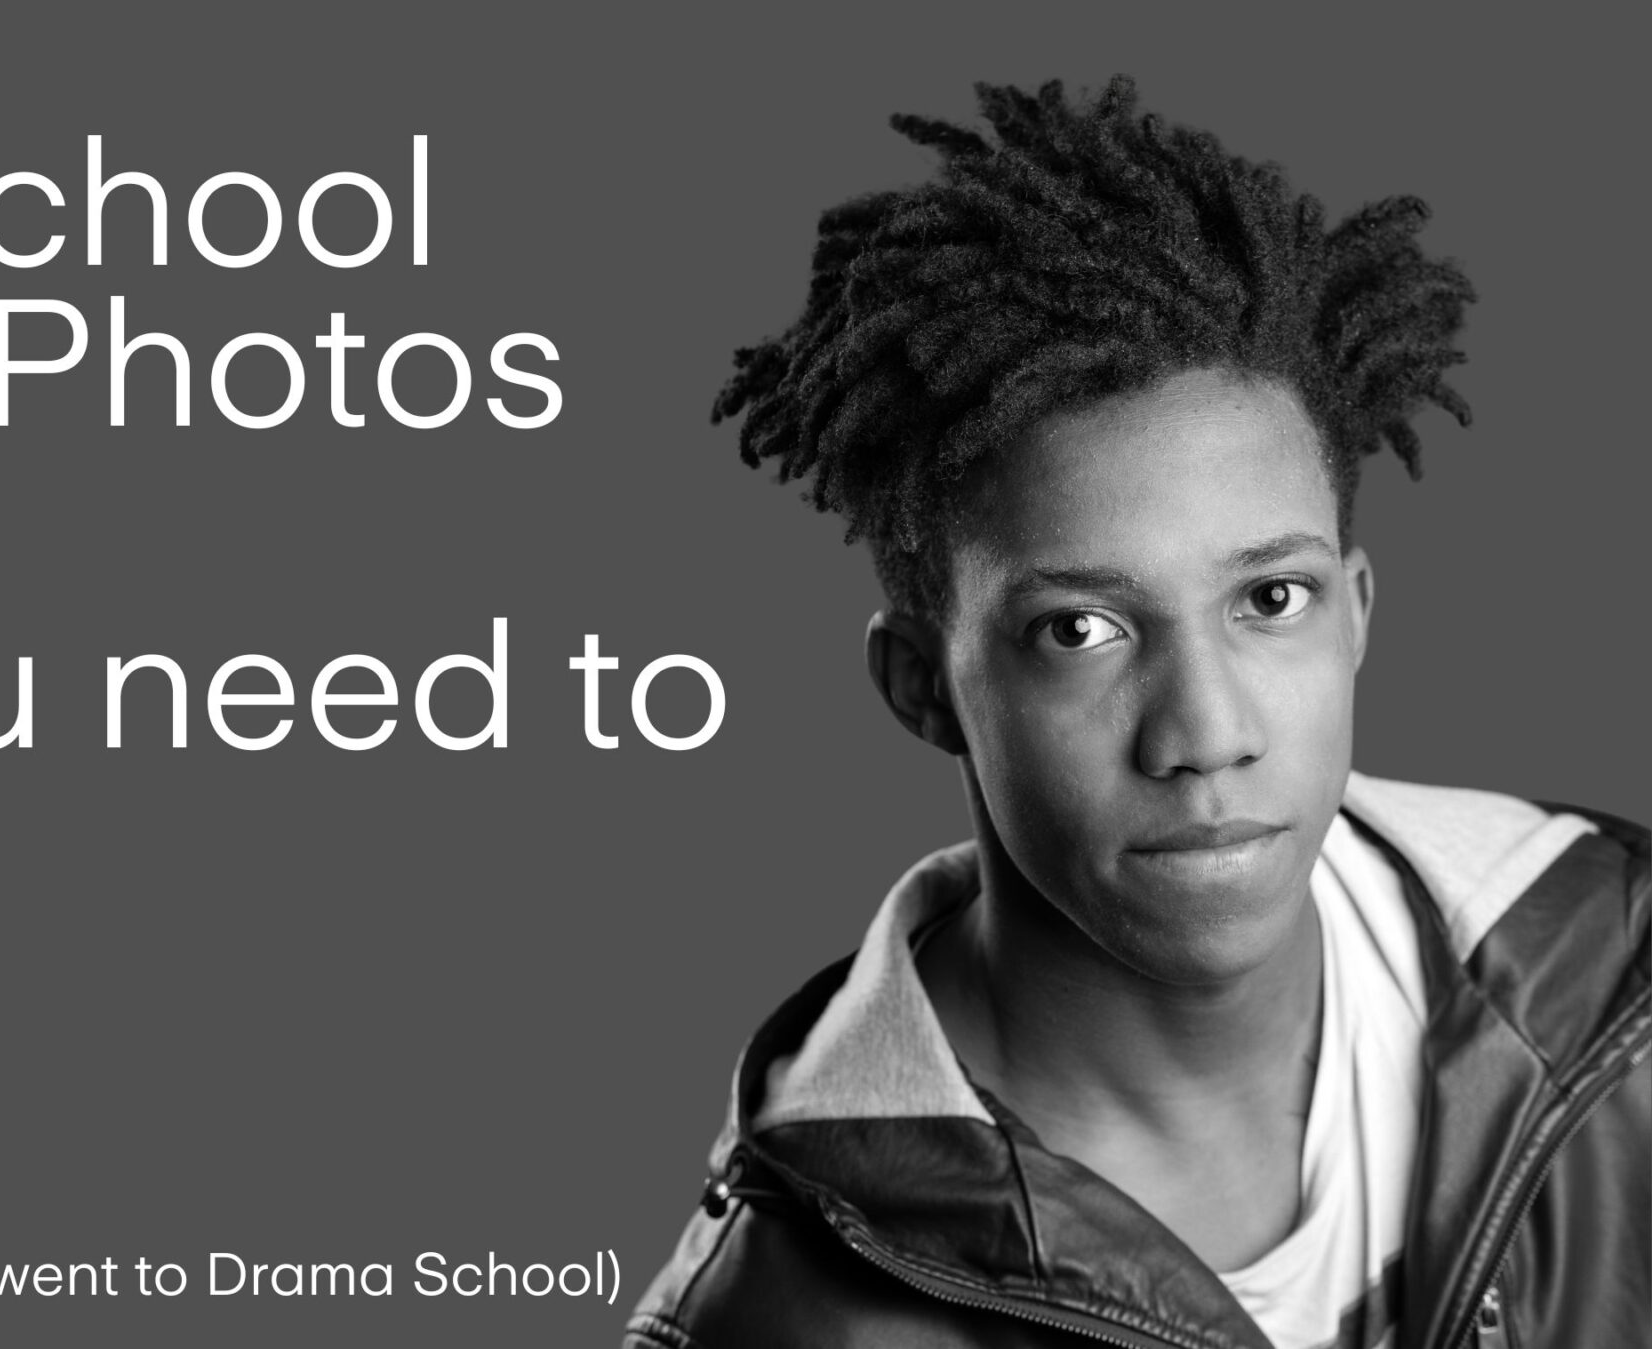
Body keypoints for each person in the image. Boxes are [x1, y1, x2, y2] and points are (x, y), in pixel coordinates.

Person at [626, 77, 1649, 1349]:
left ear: (1358, 613)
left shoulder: (1611, 969)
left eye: (1271, 596)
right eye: (1080, 630)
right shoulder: (791, 1313)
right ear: (922, 686)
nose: (1204, 732)